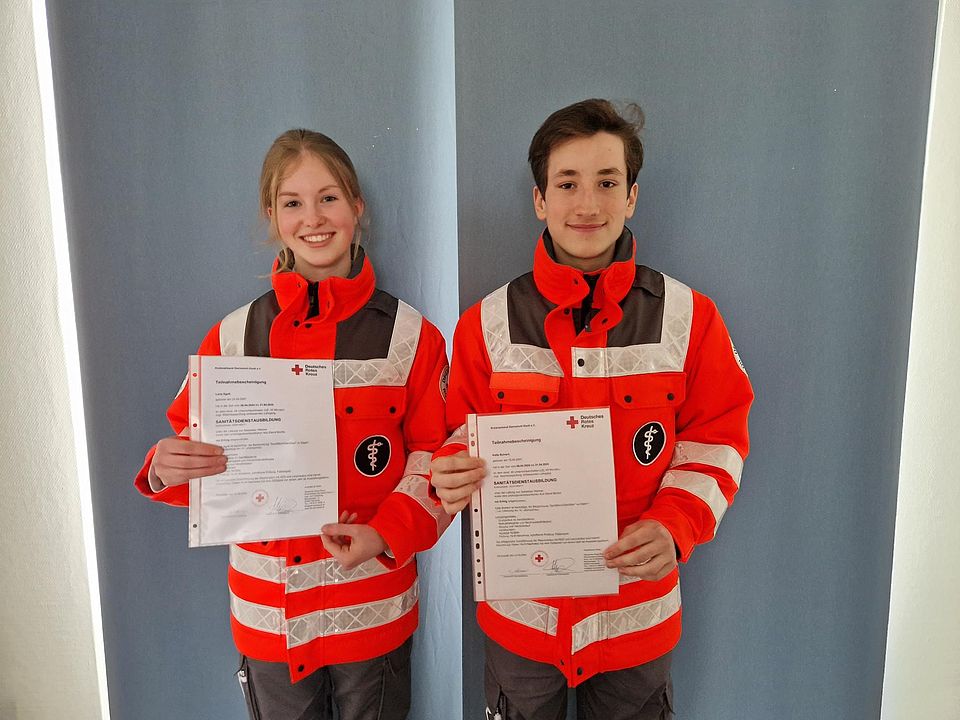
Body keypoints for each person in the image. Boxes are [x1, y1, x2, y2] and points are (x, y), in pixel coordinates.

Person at [430, 99, 754, 720]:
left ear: (631, 197)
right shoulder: (484, 324)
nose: (587, 204)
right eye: (567, 183)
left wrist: (677, 523)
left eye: (607, 183)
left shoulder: (691, 318)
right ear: (539, 200)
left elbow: (719, 440)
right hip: (522, 624)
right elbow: (454, 436)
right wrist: (450, 471)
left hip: (636, 620)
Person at [134, 129, 451, 720]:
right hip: (269, 620)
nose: (313, 218)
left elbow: (436, 458)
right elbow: (193, 457)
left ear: (357, 206)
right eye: (293, 202)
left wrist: (386, 532)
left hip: (372, 612)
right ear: (272, 216)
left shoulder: (412, 338)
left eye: (329, 198)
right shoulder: (231, 337)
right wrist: (164, 469)